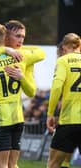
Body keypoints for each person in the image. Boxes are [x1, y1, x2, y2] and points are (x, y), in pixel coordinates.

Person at [0, 20, 45, 167]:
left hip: (2, 117)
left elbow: (41, 53)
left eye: (23, 37)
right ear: (5, 37)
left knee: (1, 163)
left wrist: (9, 50)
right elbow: (40, 53)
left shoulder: (21, 56)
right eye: (17, 36)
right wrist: (4, 50)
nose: (21, 40)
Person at [46, 33, 81, 168]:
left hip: (69, 120)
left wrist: (50, 113)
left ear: (65, 46)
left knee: (53, 163)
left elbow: (56, 88)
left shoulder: (63, 60)